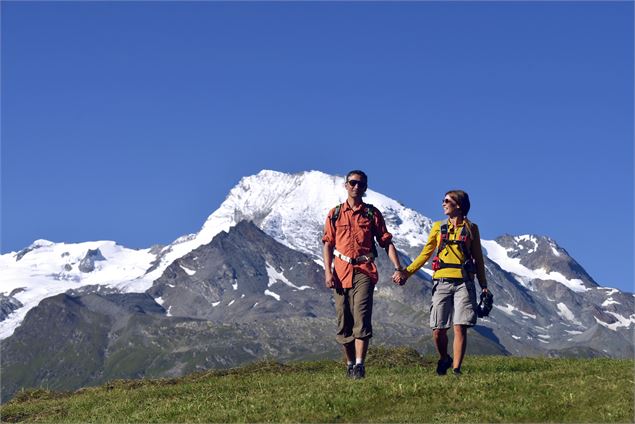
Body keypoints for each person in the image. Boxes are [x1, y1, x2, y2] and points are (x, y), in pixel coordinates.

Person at [392, 190, 488, 376]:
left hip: (464, 282)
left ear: (458, 205)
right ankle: (444, 357)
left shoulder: (471, 228)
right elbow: (425, 254)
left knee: (460, 326)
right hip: (441, 282)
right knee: (438, 329)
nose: (443, 204)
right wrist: (406, 273)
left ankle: (456, 369)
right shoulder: (438, 227)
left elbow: (478, 259)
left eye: (447, 201)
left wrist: (483, 284)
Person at [322, 170, 404, 379]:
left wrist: (398, 268)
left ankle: (360, 365)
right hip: (340, 272)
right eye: (352, 183)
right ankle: (349, 364)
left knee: (362, 315)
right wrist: (328, 272)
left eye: (361, 184)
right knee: (343, 322)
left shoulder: (372, 214)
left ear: (365, 188)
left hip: (364, 271)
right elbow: (328, 244)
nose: (356, 187)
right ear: (346, 185)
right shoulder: (335, 214)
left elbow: (386, 242)